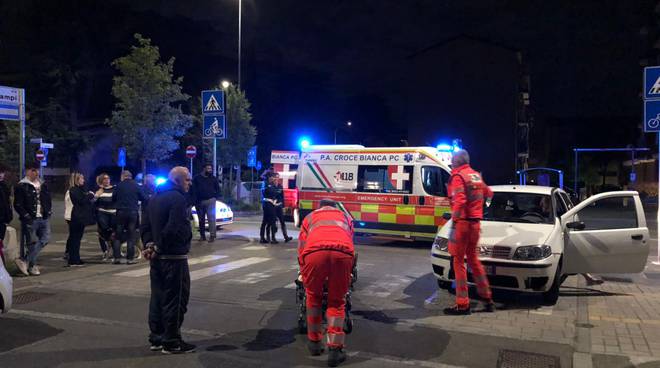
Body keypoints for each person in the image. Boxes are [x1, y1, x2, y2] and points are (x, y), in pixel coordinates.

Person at [141, 166, 195, 354]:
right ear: (178, 180)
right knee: (176, 299)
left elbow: (145, 224)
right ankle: (171, 341)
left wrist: (149, 245)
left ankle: (157, 337)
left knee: (157, 297)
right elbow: (174, 226)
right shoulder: (178, 198)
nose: (189, 183)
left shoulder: (154, 197)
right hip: (174, 257)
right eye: (187, 179)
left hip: (157, 258)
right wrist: (159, 246)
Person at [298, 199, 354, 367]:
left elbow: (301, 246)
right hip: (342, 254)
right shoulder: (345, 217)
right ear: (334, 208)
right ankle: (335, 351)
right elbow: (350, 239)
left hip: (314, 255)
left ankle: (314, 344)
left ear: (319, 207)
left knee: (313, 299)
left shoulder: (309, 217)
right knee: (337, 302)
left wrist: (303, 270)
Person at [444, 149, 496, 315]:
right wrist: (481, 209)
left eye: (452, 160)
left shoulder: (458, 177)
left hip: (463, 225)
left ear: (457, 162)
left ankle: (462, 304)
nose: (451, 162)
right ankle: (487, 298)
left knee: (458, 262)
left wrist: (454, 219)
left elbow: (459, 201)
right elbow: (489, 194)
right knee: (473, 260)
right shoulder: (475, 175)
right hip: (475, 224)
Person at [14, 163, 52, 276]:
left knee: (45, 239)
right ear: (27, 171)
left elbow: (47, 198)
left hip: (43, 217)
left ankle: (24, 260)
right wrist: (26, 216)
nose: (36, 173)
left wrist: (49, 211)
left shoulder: (42, 184)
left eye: (37, 170)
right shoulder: (22, 186)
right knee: (31, 243)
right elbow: (18, 204)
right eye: (33, 170)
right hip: (31, 218)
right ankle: (32, 266)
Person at [112, 170, 146, 265]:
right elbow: (143, 197)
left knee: (118, 236)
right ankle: (130, 259)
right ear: (130, 177)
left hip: (120, 212)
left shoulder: (118, 185)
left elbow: (113, 198)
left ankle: (117, 258)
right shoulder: (136, 185)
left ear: (123, 176)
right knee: (130, 236)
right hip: (132, 212)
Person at [67, 173, 96, 267]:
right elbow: (81, 201)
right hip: (76, 217)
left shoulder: (79, 189)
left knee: (77, 239)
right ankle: (73, 260)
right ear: (76, 180)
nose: (83, 180)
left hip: (80, 217)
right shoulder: (74, 190)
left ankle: (76, 258)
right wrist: (90, 195)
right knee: (74, 239)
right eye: (81, 178)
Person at [192, 164, 221, 242]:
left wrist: (215, 197)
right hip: (199, 201)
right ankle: (202, 236)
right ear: (204, 169)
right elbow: (193, 190)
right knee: (201, 219)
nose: (210, 170)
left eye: (211, 168)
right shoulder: (197, 178)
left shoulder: (213, 178)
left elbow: (218, 189)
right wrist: (194, 200)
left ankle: (212, 236)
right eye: (208, 168)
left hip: (210, 200)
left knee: (211, 218)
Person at [95, 173, 116, 261]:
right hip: (102, 213)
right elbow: (94, 201)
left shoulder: (114, 188)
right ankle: (105, 251)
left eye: (108, 178)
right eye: (104, 179)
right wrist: (97, 195)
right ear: (101, 181)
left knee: (113, 232)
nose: (107, 180)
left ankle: (114, 250)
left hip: (113, 213)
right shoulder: (99, 190)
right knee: (102, 232)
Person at [273, 173, 293, 243]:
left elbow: (282, 196)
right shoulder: (271, 186)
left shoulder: (280, 186)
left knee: (282, 222)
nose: (277, 178)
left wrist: (283, 206)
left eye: (278, 177)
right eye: (275, 177)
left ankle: (286, 237)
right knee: (274, 223)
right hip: (273, 207)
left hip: (279, 206)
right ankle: (273, 238)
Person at [260, 173, 279, 244]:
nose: (273, 178)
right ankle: (263, 238)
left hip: (272, 204)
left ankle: (271, 238)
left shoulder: (273, 184)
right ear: (269, 177)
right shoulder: (265, 183)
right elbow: (265, 193)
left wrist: (275, 200)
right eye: (272, 177)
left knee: (272, 221)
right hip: (267, 204)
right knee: (266, 221)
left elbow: (276, 194)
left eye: (273, 177)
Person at [0, 165, 13, 264]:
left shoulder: (4, 186)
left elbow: (7, 204)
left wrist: (7, 218)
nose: (1, 175)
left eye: (2, 172)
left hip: (3, 220)